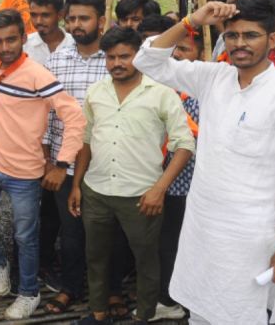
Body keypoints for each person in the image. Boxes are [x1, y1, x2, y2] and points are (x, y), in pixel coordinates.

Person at [131, 0, 275, 324]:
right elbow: (147, 60)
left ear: (272, 39)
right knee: (200, 312)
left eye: (251, 35)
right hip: (202, 227)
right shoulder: (213, 77)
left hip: (248, 235)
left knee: (240, 314)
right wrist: (192, 20)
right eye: (232, 35)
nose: (240, 44)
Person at [69, 27, 195, 324]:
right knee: (96, 255)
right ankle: (98, 313)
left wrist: (160, 189)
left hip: (142, 195)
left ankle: (145, 315)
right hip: (96, 191)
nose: (117, 63)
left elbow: (185, 145)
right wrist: (76, 185)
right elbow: (86, 140)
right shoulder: (96, 92)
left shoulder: (161, 93)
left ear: (138, 56)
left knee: (146, 259)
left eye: (124, 56)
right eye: (110, 57)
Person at [0, 9, 85, 320]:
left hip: (24, 174)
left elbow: (75, 118)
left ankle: (29, 293)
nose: (4, 47)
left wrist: (61, 164)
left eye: (11, 40)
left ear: (24, 38)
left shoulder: (38, 75)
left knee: (25, 238)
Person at [41, 0, 109, 316]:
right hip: (63, 164)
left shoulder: (116, 60)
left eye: (84, 18)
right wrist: (48, 161)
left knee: (107, 232)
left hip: (106, 163)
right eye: (72, 19)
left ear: (101, 21)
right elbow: (45, 114)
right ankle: (71, 288)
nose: (77, 25)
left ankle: (109, 292)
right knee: (71, 232)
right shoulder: (56, 61)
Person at [157, 29, 202, 321]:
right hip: (161, 180)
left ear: (201, 53)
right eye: (174, 49)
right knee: (167, 243)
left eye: (185, 49)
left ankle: (192, 300)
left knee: (192, 245)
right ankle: (168, 297)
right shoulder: (161, 87)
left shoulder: (205, 93)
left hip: (195, 183)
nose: (177, 54)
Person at [24, 0, 74, 66]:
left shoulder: (75, 44)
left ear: (60, 15)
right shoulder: (24, 46)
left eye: (45, 15)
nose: (38, 21)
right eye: (34, 15)